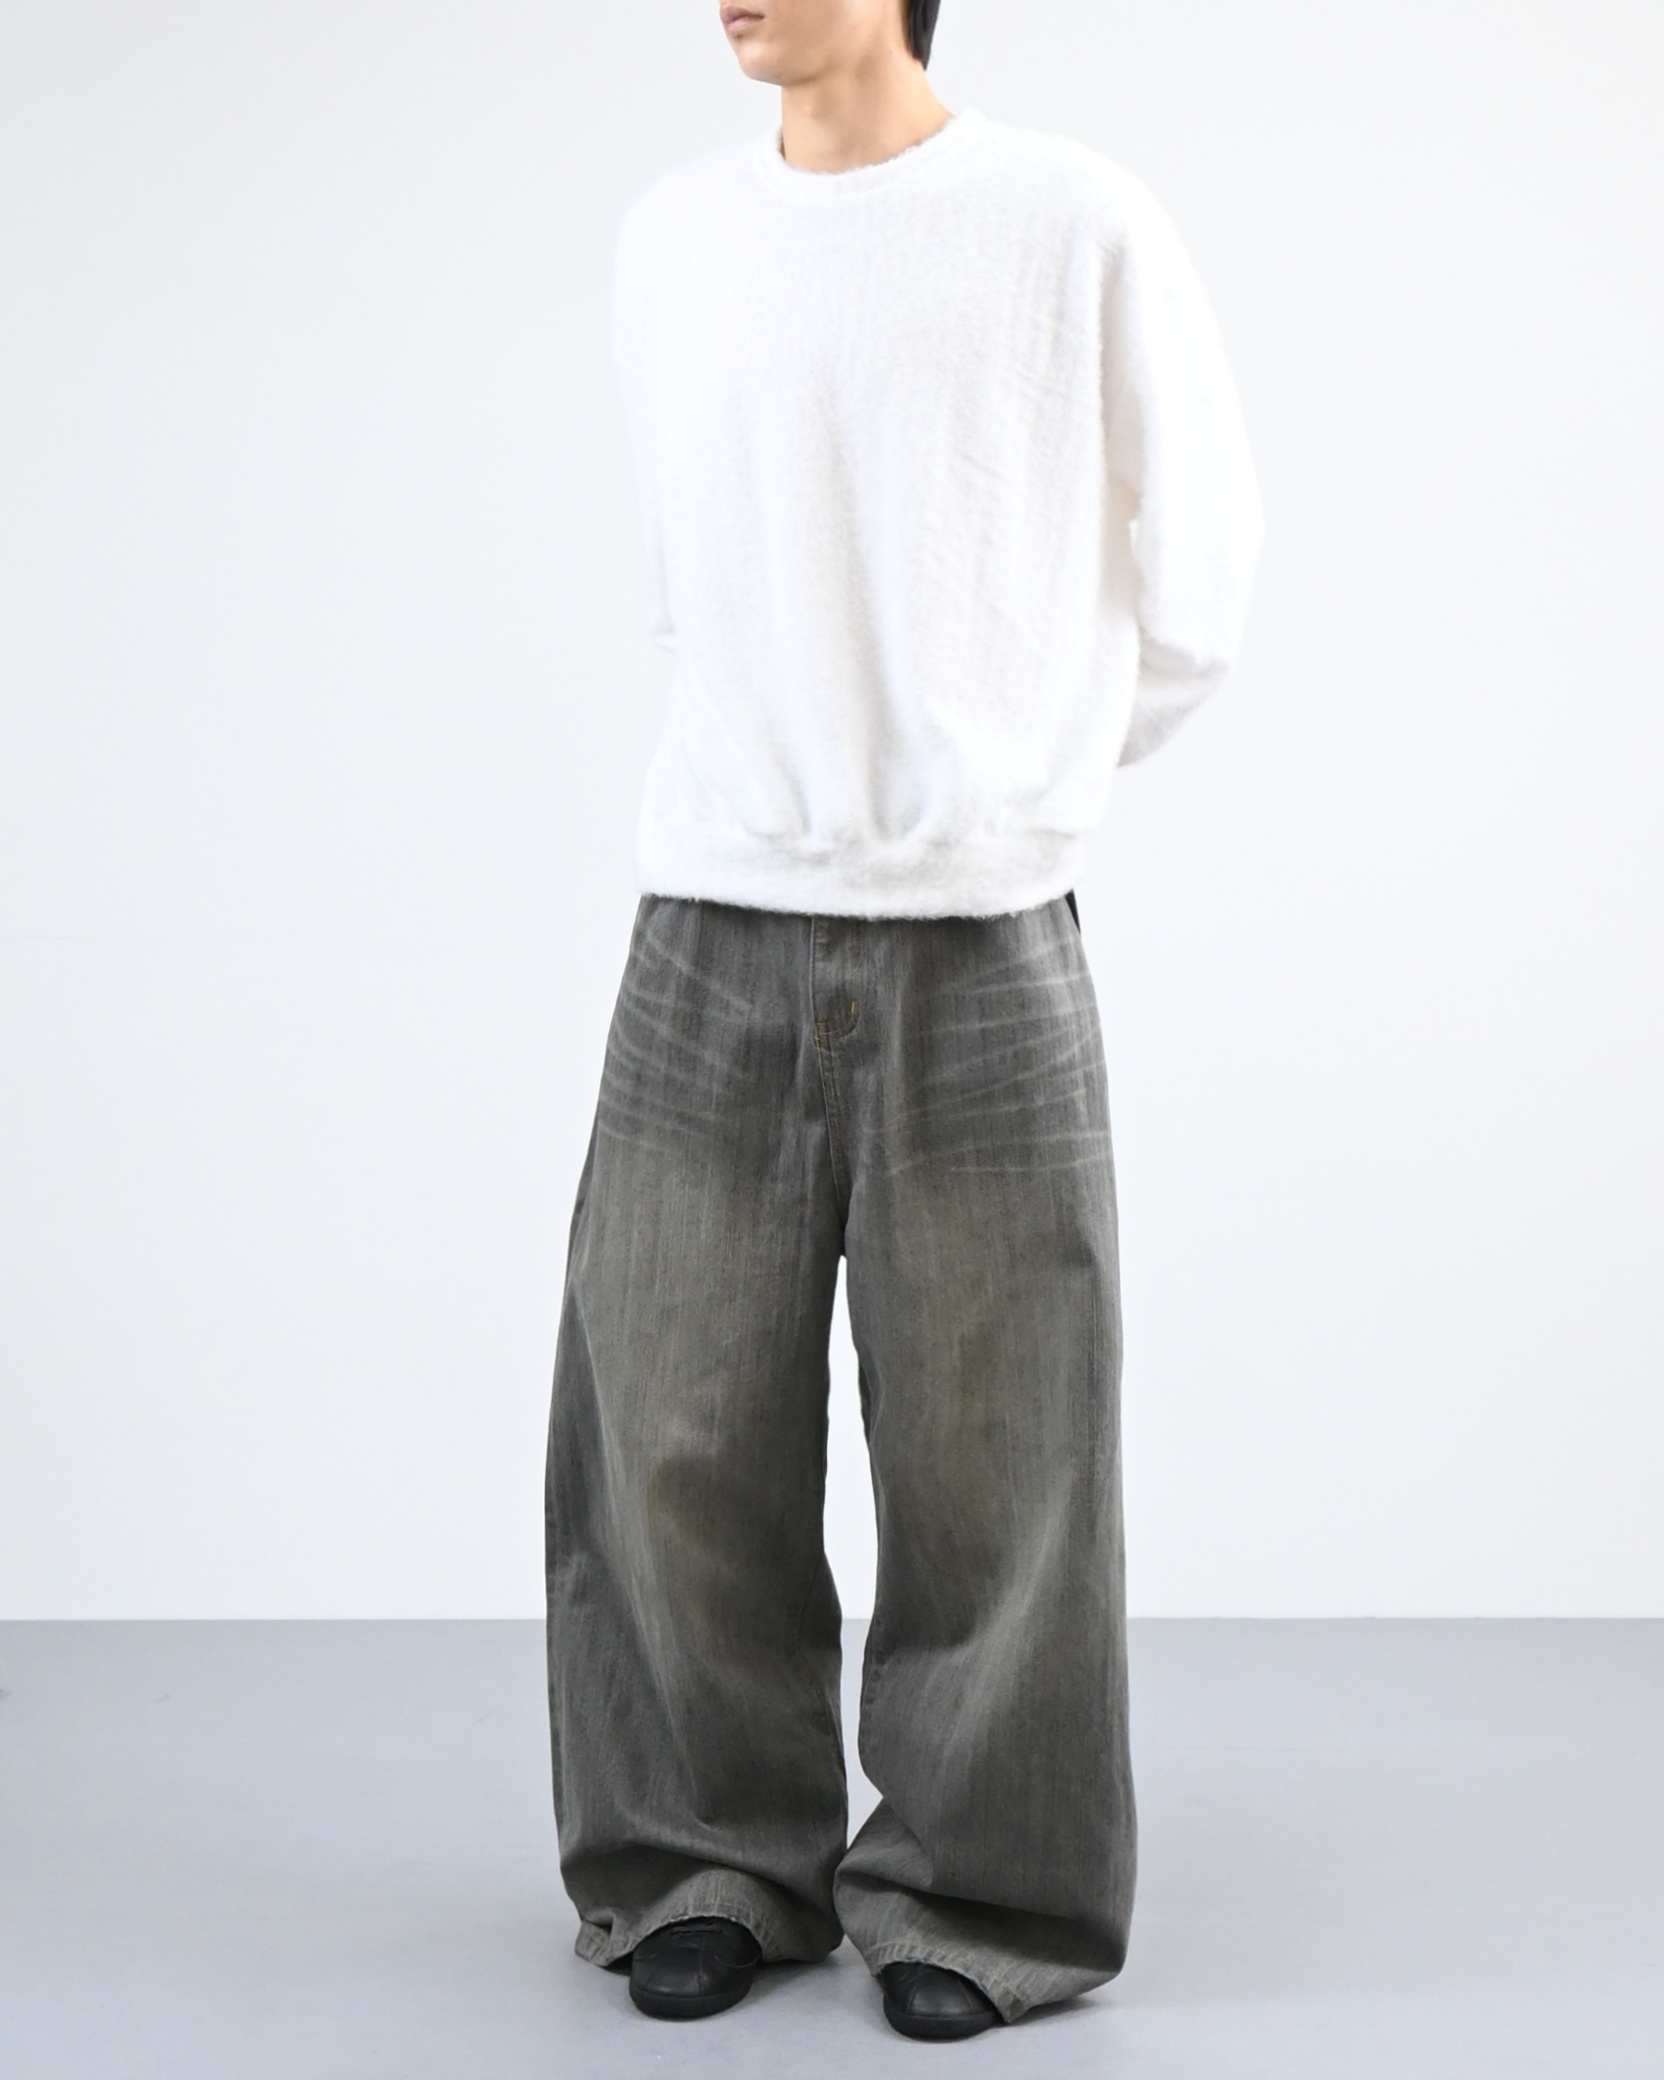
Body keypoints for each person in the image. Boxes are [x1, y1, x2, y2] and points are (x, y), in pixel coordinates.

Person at [543, 0, 1262, 2042]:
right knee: (662, 1425)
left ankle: (982, 1891)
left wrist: (1022, 787)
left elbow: (1202, 569)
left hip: (977, 931)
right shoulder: (671, 236)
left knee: (1001, 1451)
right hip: (711, 913)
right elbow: (692, 575)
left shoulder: (1069, 219)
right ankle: (701, 1860)